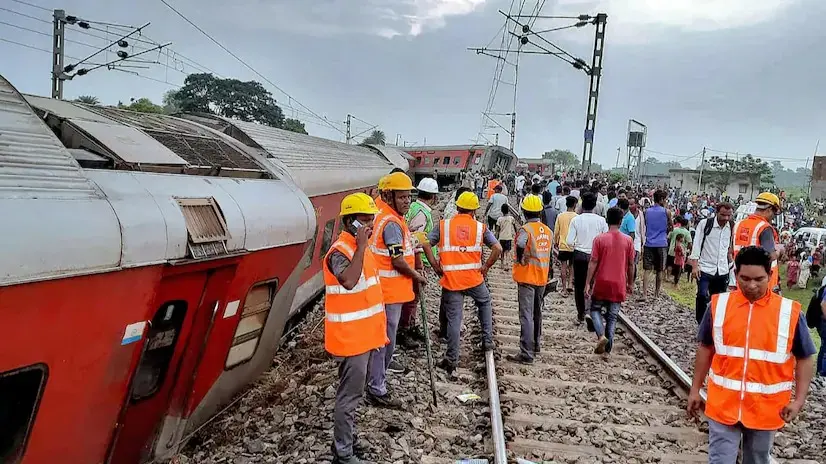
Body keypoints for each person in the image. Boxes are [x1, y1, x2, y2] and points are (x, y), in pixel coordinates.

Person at [687, 246, 816, 464]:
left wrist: (799, 401)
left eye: (759, 279)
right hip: (723, 406)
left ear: (770, 275)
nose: (751, 285)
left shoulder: (789, 313)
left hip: (765, 410)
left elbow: (805, 358)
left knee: (757, 460)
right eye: (744, 279)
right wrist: (695, 389)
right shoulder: (719, 306)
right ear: (735, 274)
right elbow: (705, 348)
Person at [324, 193, 388, 464]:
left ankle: (346, 441)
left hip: (364, 337)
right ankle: (343, 454)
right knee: (349, 397)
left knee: (354, 394)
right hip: (350, 339)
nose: (371, 225)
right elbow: (349, 281)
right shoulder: (340, 251)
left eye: (372, 219)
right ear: (351, 222)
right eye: (365, 220)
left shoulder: (361, 248)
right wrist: (361, 246)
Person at [368, 172, 430, 406]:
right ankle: (377, 387)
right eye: (402, 197)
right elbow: (397, 260)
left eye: (409, 197)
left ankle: (375, 380)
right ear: (388, 196)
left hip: (384, 290)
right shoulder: (392, 223)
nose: (407, 201)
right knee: (385, 340)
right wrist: (417, 275)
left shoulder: (386, 215)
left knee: (382, 339)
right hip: (389, 292)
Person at [429, 191, 502, 375]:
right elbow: (497, 248)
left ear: (457, 207)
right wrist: (486, 267)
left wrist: (435, 266)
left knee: (455, 319)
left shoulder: (444, 225)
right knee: (484, 303)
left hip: (452, 280)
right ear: (474, 210)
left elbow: (425, 244)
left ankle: (451, 360)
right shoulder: (480, 228)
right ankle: (487, 341)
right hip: (474, 279)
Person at [507, 195, 552, 364]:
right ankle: (536, 344)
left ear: (524, 212)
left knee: (526, 315)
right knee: (537, 312)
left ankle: (526, 352)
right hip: (541, 277)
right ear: (540, 212)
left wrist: (520, 258)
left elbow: (520, 244)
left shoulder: (525, 229)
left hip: (527, 277)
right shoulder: (547, 231)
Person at [584, 207, 635, 354]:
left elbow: (593, 262)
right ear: (621, 221)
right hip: (619, 283)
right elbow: (631, 264)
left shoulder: (599, 239)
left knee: (595, 309)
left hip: (602, 282)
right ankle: (607, 349)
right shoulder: (628, 240)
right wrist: (630, 283)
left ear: (607, 220)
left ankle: (601, 336)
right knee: (612, 317)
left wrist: (587, 283)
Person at [398, 177, 440, 350]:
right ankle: (405, 330)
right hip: (417, 260)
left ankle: (410, 326)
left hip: (413, 259)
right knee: (413, 297)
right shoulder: (422, 213)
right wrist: (420, 266)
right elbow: (416, 241)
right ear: (434, 197)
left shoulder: (414, 207)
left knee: (412, 297)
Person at [566, 192, 608, 330]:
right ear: (594, 205)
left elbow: (569, 241)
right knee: (593, 284)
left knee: (579, 286)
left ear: (582, 204)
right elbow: (605, 239)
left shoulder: (576, 220)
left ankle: (581, 314)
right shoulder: (601, 221)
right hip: (596, 256)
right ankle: (592, 311)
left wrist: (578, 244)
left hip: (579, 255)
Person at [732, 192, 782, 292]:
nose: (773, 217)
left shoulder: (738, 224)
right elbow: (771, 256)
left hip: (742, 279)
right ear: (769, 209)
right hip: (761, 283)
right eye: (774, 213)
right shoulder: (764, 227)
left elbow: (731, 251)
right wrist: (780, 250)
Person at [642, 189, 672, 301]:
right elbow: (671, 227)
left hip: (649, 243)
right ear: (661, 199)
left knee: (647, 269)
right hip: (661, 243)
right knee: (660, 270)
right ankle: (656, 294)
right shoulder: (666, 212)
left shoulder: (647, 211)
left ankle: (644, 294)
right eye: (665, 199)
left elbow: (646, 224)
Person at [554, 196, 578, 297]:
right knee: (572, 266)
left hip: (563, 245)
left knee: (563, 267)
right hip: (574, 246)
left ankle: (564, 289)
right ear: (575, 205)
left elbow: (556, 231)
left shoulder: (560, 216)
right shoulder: (577, 217)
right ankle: (570, 284)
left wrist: (556, 242)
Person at [667, 216, 692, 283]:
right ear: (686, 225)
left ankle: (668, 277)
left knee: (670, 264)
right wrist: (687, 250)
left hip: (672, 250)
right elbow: (690, 243)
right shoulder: (687, 232)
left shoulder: (674, 229)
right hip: (680, 253)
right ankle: (676, 280)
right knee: (678, 267)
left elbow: (668, 238)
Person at [496, 203, 517, 270]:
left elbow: (497, 230)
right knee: (507, 251)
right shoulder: (511, 218)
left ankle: (502, 264)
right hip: (508, 237)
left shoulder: (499, 219)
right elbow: (515, 227)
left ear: (501, 210)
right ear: (508, 210)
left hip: (501, 237)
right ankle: (507, 264)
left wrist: (496, 238)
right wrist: (516, 234)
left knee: (502, 251)